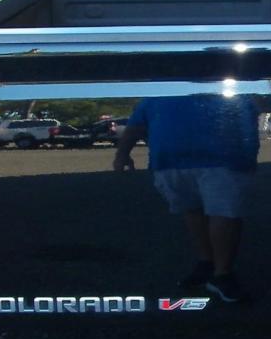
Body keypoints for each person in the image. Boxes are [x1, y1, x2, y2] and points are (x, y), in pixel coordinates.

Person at [112, 93, 262, 303]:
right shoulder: (161, 89)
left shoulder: (231, 83)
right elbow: (137, 124)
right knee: (192, 210)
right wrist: (121, 154)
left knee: (225, 213)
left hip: (223, 160)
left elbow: (262, 109)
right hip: (169, 162)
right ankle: (207, 262)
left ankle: (222, 274)